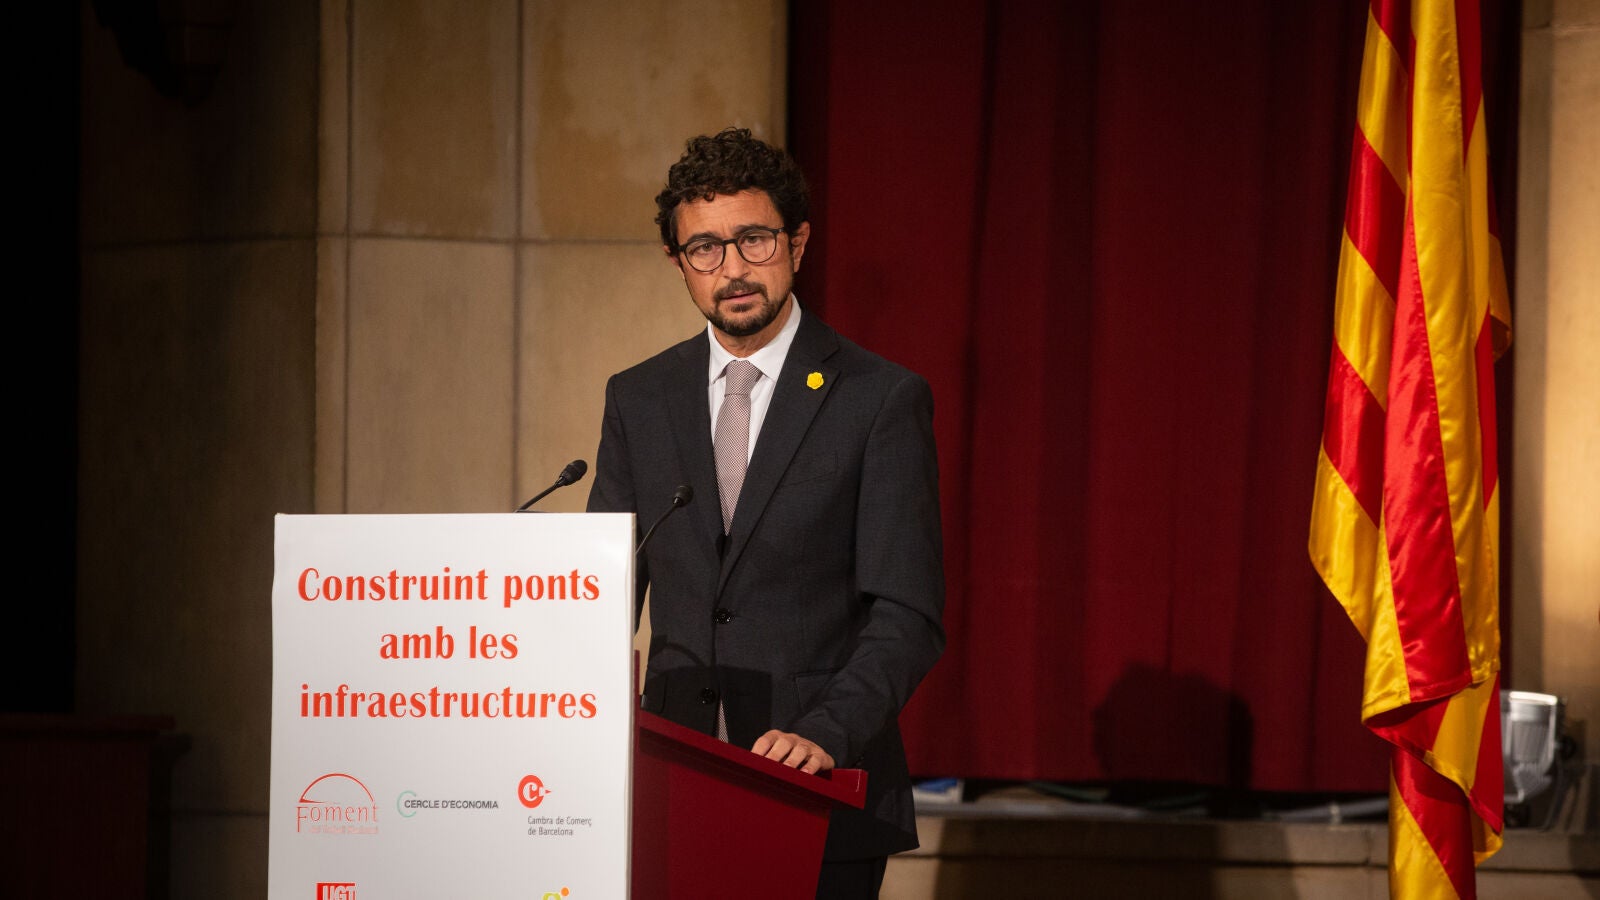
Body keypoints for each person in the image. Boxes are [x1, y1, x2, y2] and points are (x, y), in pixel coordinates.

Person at [586, 126, 946, 898]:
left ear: (798, 243)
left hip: (818, 786)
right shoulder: (638, 398)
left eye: (754, 239)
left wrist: (826, 731)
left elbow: (907, 615)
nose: (733, 269)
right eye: (705, 248)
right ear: (678, 262)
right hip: (668, 783)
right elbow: (600, 595)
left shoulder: (879, 399)